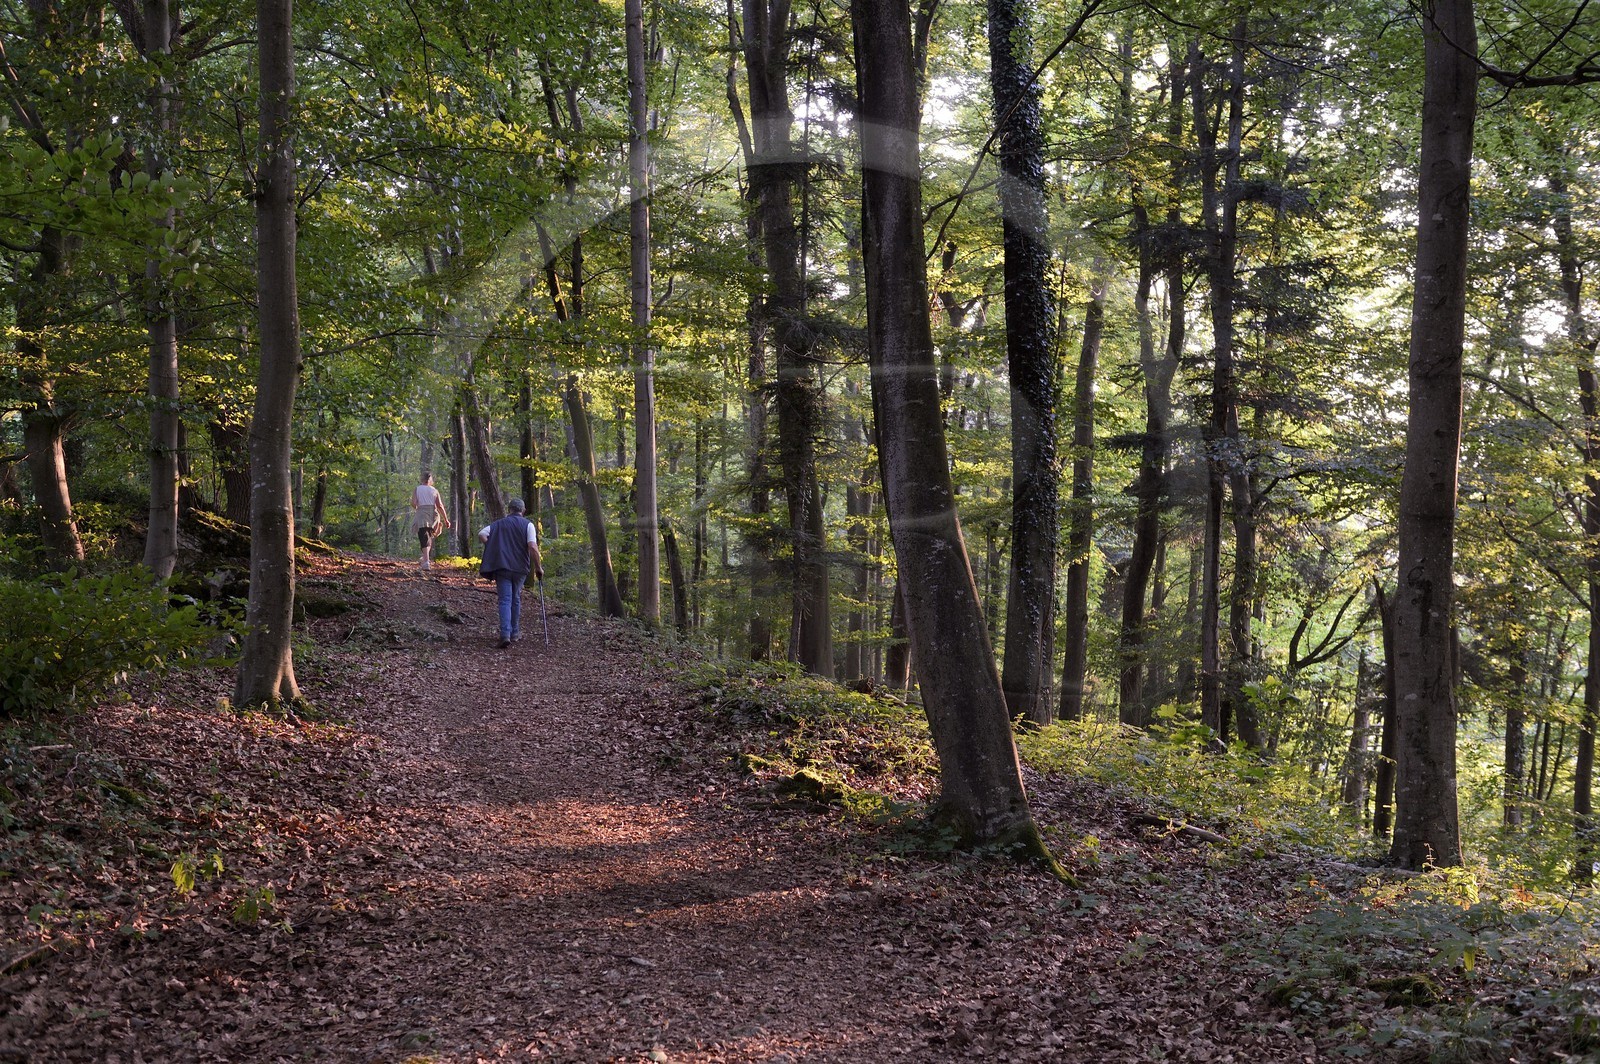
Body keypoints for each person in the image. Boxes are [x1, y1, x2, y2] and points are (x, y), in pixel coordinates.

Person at [478, 498, 543, 649]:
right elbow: (532, 546)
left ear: (509, 510)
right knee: (515, 598)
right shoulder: (528, 525)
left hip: (502, 567)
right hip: (520, 568)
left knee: (504, 600)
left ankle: (505, 634)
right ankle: (515, 633)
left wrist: (492, 545)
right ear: (523, 510)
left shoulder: (498, 524)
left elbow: (482, 533)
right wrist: (538, 567)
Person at [411, 473, 450, 570]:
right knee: (428, 536)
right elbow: (440, 506)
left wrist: (417, 507)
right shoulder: (434, 490)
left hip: (422, 513)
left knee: (423, 535)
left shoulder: (417, 489)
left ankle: (426, 561)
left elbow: (413, 503)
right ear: (431, 480)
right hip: (433, 513)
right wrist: (446, 519)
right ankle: (425, 559)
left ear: (421, 479)